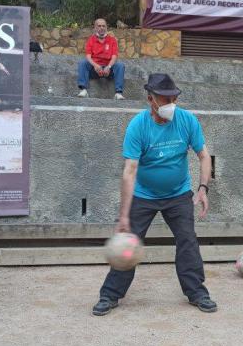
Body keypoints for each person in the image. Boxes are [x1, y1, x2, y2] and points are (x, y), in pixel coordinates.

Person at [92, 73, 217, 316]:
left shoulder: (187, 120)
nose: (171, 103)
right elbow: (130, 170)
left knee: (187, 241)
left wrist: (203, 188)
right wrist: (124, 215)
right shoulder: (138, 125)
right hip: (143, 195)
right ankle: (110, 295)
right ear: (151, 99)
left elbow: (203, 156)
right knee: (128, 244)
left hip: (178, 193)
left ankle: (197, 292)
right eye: (165, 98)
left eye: (174, 98)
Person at [77, 18, 125, 99]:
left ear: (106, 27)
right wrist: (95, 65)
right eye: (99, 26)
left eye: (103, 26)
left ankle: (118, 93)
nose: (101, 28)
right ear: (95, 28)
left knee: (120, 65)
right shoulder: (91, 40)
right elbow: (88, 57)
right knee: (82, 63)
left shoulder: (112, 40)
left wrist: (109, 67)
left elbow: (114, 56)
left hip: (108, 70)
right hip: (95, 70)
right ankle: (83, 90)